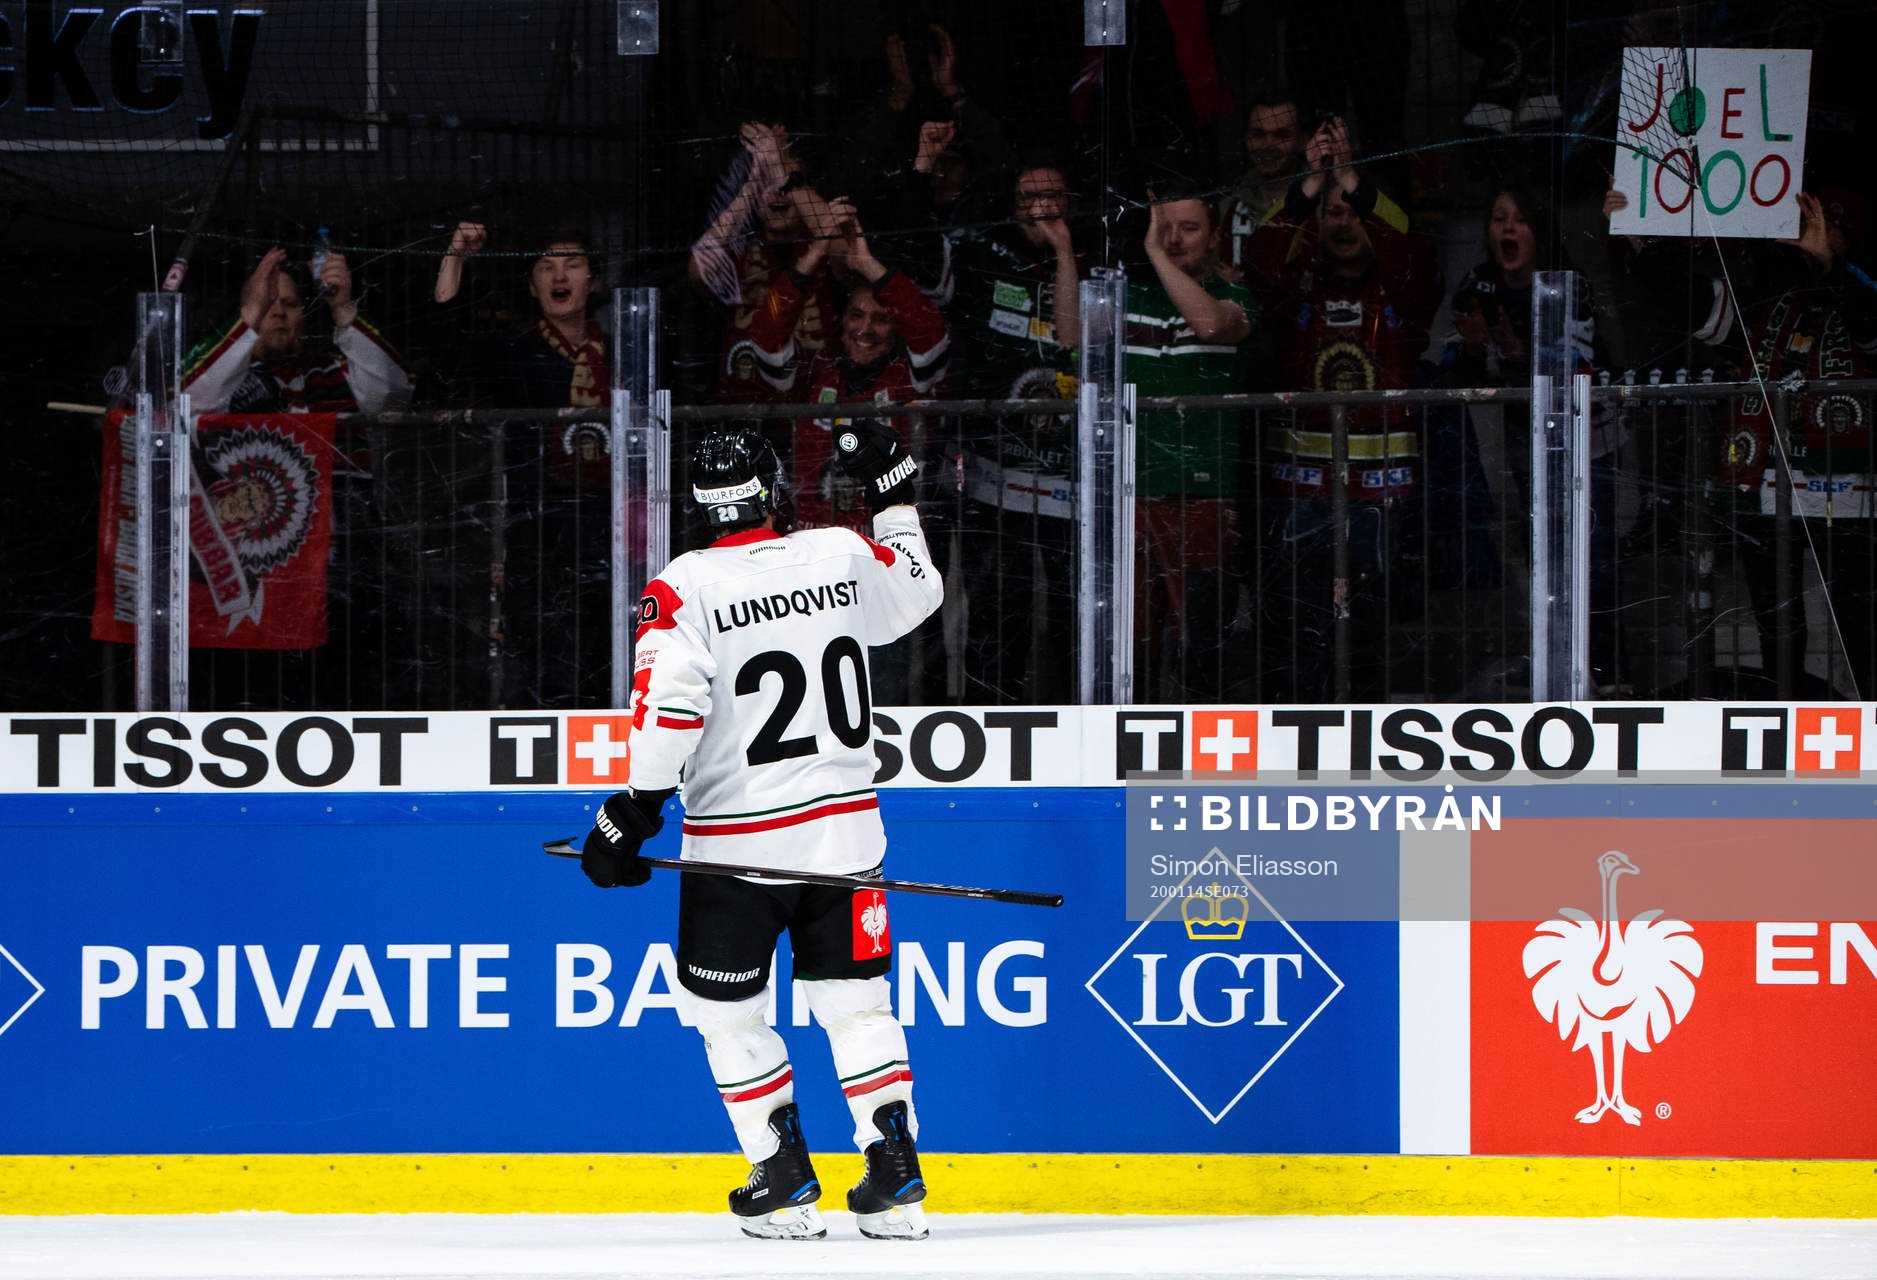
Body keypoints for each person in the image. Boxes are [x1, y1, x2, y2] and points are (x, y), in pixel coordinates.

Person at [577, 422, 942, 1242]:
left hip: (736, 849)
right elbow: (917, 592)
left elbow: (669, 706)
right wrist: (892, 500)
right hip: (849, 841)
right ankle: (895, 1171)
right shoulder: (839, 554)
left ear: (700, 509)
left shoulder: (684, 585)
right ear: (775, 490)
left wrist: (631, 811)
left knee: (727, 1014)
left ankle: (781, 1176)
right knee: (856, 1007)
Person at [1245, 165, 1441, 702]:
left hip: (1383, 492)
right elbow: (1261, 257)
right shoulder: (1294, 289)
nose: (1345, 221)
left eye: (1356, 209)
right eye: (1332, 210)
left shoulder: (1401, 288)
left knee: (1369, 627)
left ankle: (1362, 732)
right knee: (1296, 622)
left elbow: (1412, 249)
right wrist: (1308, 188)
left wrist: (1356, 183)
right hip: (1298, 489)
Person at [429, 225, 621, 707]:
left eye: (572, 264)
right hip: (538, 530)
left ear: (594, 281)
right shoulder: (514, 351)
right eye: (545, 266)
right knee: (542, 655)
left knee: (608, 649)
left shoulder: (623, 355)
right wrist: (455, 256)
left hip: (611, 528)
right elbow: (447, 344)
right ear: (532, 285)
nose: (559, 275)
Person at [946, 161, 1083, 702]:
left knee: (1071, 616)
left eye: (1051, 197)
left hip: (1066, 485)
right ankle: (989, 717)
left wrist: (1066, 253)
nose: (1039, 208)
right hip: (995, 480)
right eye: (1028, 197)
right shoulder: (988, 261)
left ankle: (1070, 725)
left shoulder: (1090, 268)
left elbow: (1073, 338)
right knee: (997, 613)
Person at [1123, 185, 1257, 702]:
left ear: (1216, 237)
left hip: (1202, 499)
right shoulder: (1130, 297)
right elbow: (1070, 335)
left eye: (1189, 228)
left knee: (1200, 647)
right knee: (1134, 648)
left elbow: (1208, 323)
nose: (1174, 239)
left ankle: (1196, 769)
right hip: (1134, 497)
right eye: (1165, 227)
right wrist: (1067, 251)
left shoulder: (1236, 298)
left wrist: (1155, 252)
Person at [183, 244, 412, 420]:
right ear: (246, 319)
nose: (279, 312)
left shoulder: (340, 372)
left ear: (303, 316)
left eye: (290, 303)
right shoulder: (227, 381)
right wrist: (251, 311)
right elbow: (187, 403)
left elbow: (390, 398)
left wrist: (342, 308)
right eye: (267, 304)